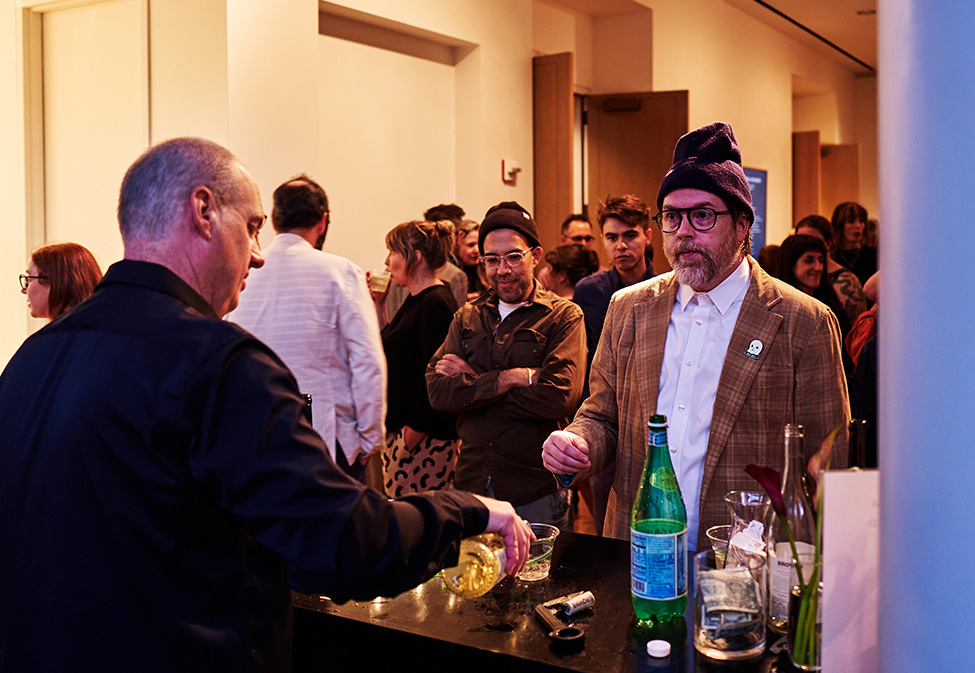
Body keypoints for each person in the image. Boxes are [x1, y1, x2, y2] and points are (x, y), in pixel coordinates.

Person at [0, 137, 532, 673]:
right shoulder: (219, 363)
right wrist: (468, 512)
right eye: (253, 227)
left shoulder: (31, 359)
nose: (258, 253)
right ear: (204, 211)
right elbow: (341, 548)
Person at [542, 122, 850, 551]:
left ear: (743, 225)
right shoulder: (629, 308)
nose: (684, 230)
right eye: (671, 216)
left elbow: (828, 462)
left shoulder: (803, 321)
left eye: (702, 215)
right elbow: (602, 416)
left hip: (744, 561)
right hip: (637, 552)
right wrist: (578, 444)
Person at [426, 202, 587, 530]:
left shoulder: (563, 316)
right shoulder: (467, 316)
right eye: (492, 259)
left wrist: (473, 384)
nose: (503, 269)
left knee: (539, 580)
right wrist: (512, 378)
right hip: (471, 485)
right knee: (477, 579)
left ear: (535, 255)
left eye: (514, 256)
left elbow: (558, 397)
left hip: (534, 488)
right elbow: (438, 392)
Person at [225, 175, 385, 481]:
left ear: (273, 222)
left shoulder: (245, 272)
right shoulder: (340, 272)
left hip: (256, 432)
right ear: (322, 222)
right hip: (326, 436)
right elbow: (368, 361)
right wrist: (369, 438)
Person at [373, 220, 460, 497]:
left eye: (393, 252)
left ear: (415, 257)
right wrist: (378, 302)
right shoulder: (417, 298)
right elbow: (389, 346)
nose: (387, 262)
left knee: (415, 527)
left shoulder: (435, 303)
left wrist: (411, 437)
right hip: (408, 435)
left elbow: (438, 377)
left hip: (424, 440)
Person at [795, 214, 868, 321]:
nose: (804, 245)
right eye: (799, 240)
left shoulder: (846, 280)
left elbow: (857, 329)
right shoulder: (796, 275)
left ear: (828, 244)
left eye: (812, 240)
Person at [19, 242, 102, 321]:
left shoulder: (61, 334)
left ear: (56, 282)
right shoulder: (103, 326)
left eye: (28, 280)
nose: (23, 291)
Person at [830, 201, 878, 286]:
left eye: (861, 221)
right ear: (840, 225)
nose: (858, 226)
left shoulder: (874, 255)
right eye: (851, 221)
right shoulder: (831, 256)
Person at [452, 219, 488, 299]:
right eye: (471, 245)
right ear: (457, 244)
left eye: (479, 245)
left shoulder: (484, 269)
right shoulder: (453, 275)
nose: (477, 250)